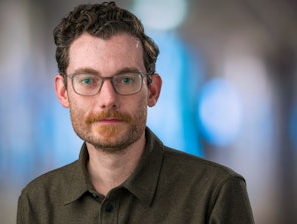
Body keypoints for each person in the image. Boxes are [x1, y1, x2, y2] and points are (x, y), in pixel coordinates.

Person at [17, 1, 255, 223]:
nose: (108, 99)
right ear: (63, 92)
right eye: (88, 80)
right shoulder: (38, 202)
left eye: (127, 80)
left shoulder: (215, 194)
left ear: (152, 90)